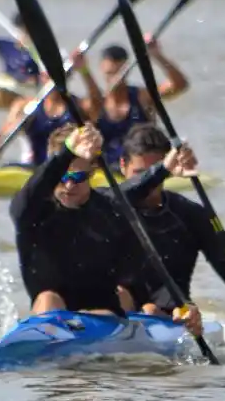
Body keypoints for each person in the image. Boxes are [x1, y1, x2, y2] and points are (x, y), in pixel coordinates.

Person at [117, 124, 225, 328]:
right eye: (140, 174)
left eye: (157, 173)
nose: (149, 184)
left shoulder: (190, 214)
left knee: (151, 309)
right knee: (119, 295)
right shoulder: (105, 206)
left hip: (175, 311)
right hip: (118, 304)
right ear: (122, 166)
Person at [9, 123, 155, 321]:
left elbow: (137, 187)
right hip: (52, 314)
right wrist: (67, 152)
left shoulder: (109, 208)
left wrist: (166, 168)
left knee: (125, 295)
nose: (69, 185)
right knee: (47, 299)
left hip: (103, 312)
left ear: (93, 172)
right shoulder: (31, 211)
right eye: (62, 177)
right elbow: (32, 191)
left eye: (78, 177)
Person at [0, 50, 104, 169]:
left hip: (69, 171)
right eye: (49, 77)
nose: (53, 81)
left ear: (67, 77)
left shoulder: (80, 106)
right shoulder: (24, 106)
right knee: (6, 167)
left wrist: (84, 70)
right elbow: (2, 135)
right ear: (42, 77)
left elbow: (98, 104)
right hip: (32, 169)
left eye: (57, 77)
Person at [91, 41, 189, 167]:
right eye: (110, 74)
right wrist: (83, 70)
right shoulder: (95, 104)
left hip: (144, 165)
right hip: (108, 170)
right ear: (101, 69)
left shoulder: (143, 97)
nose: (114, 80)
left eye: (118, 74)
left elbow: (180, 85)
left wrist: (157, 54)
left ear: (127, 69)